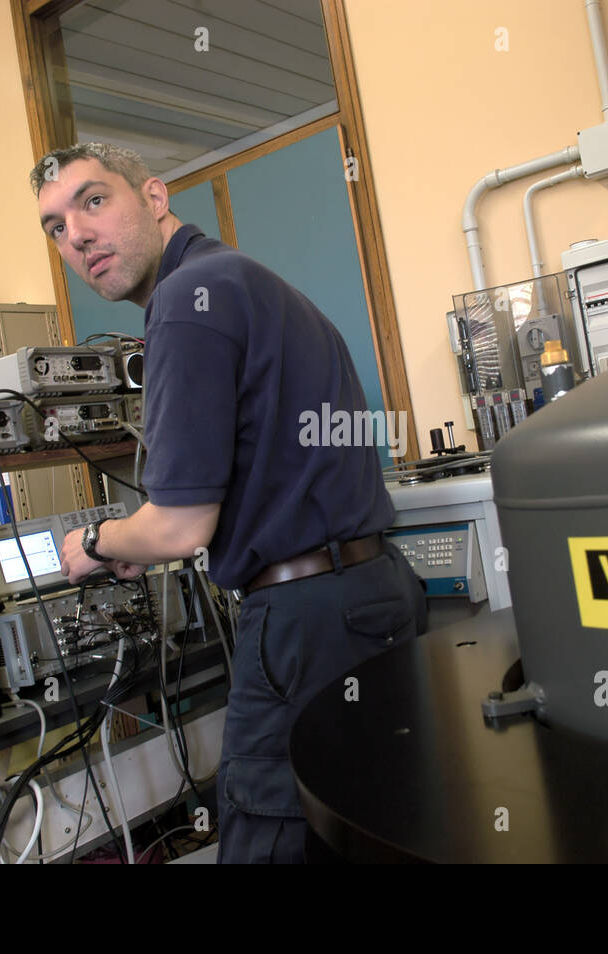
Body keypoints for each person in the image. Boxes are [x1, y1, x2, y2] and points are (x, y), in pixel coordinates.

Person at [30, 143, 427, 863]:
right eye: (55, 226)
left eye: (93, 201)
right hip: (372, 592)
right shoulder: (247, 280)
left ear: (153, 198)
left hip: (306, 619)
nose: (77, 234)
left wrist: (97, 544)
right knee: (369, 828)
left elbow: (180, 527)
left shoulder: (185, 302)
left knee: (266, 836)